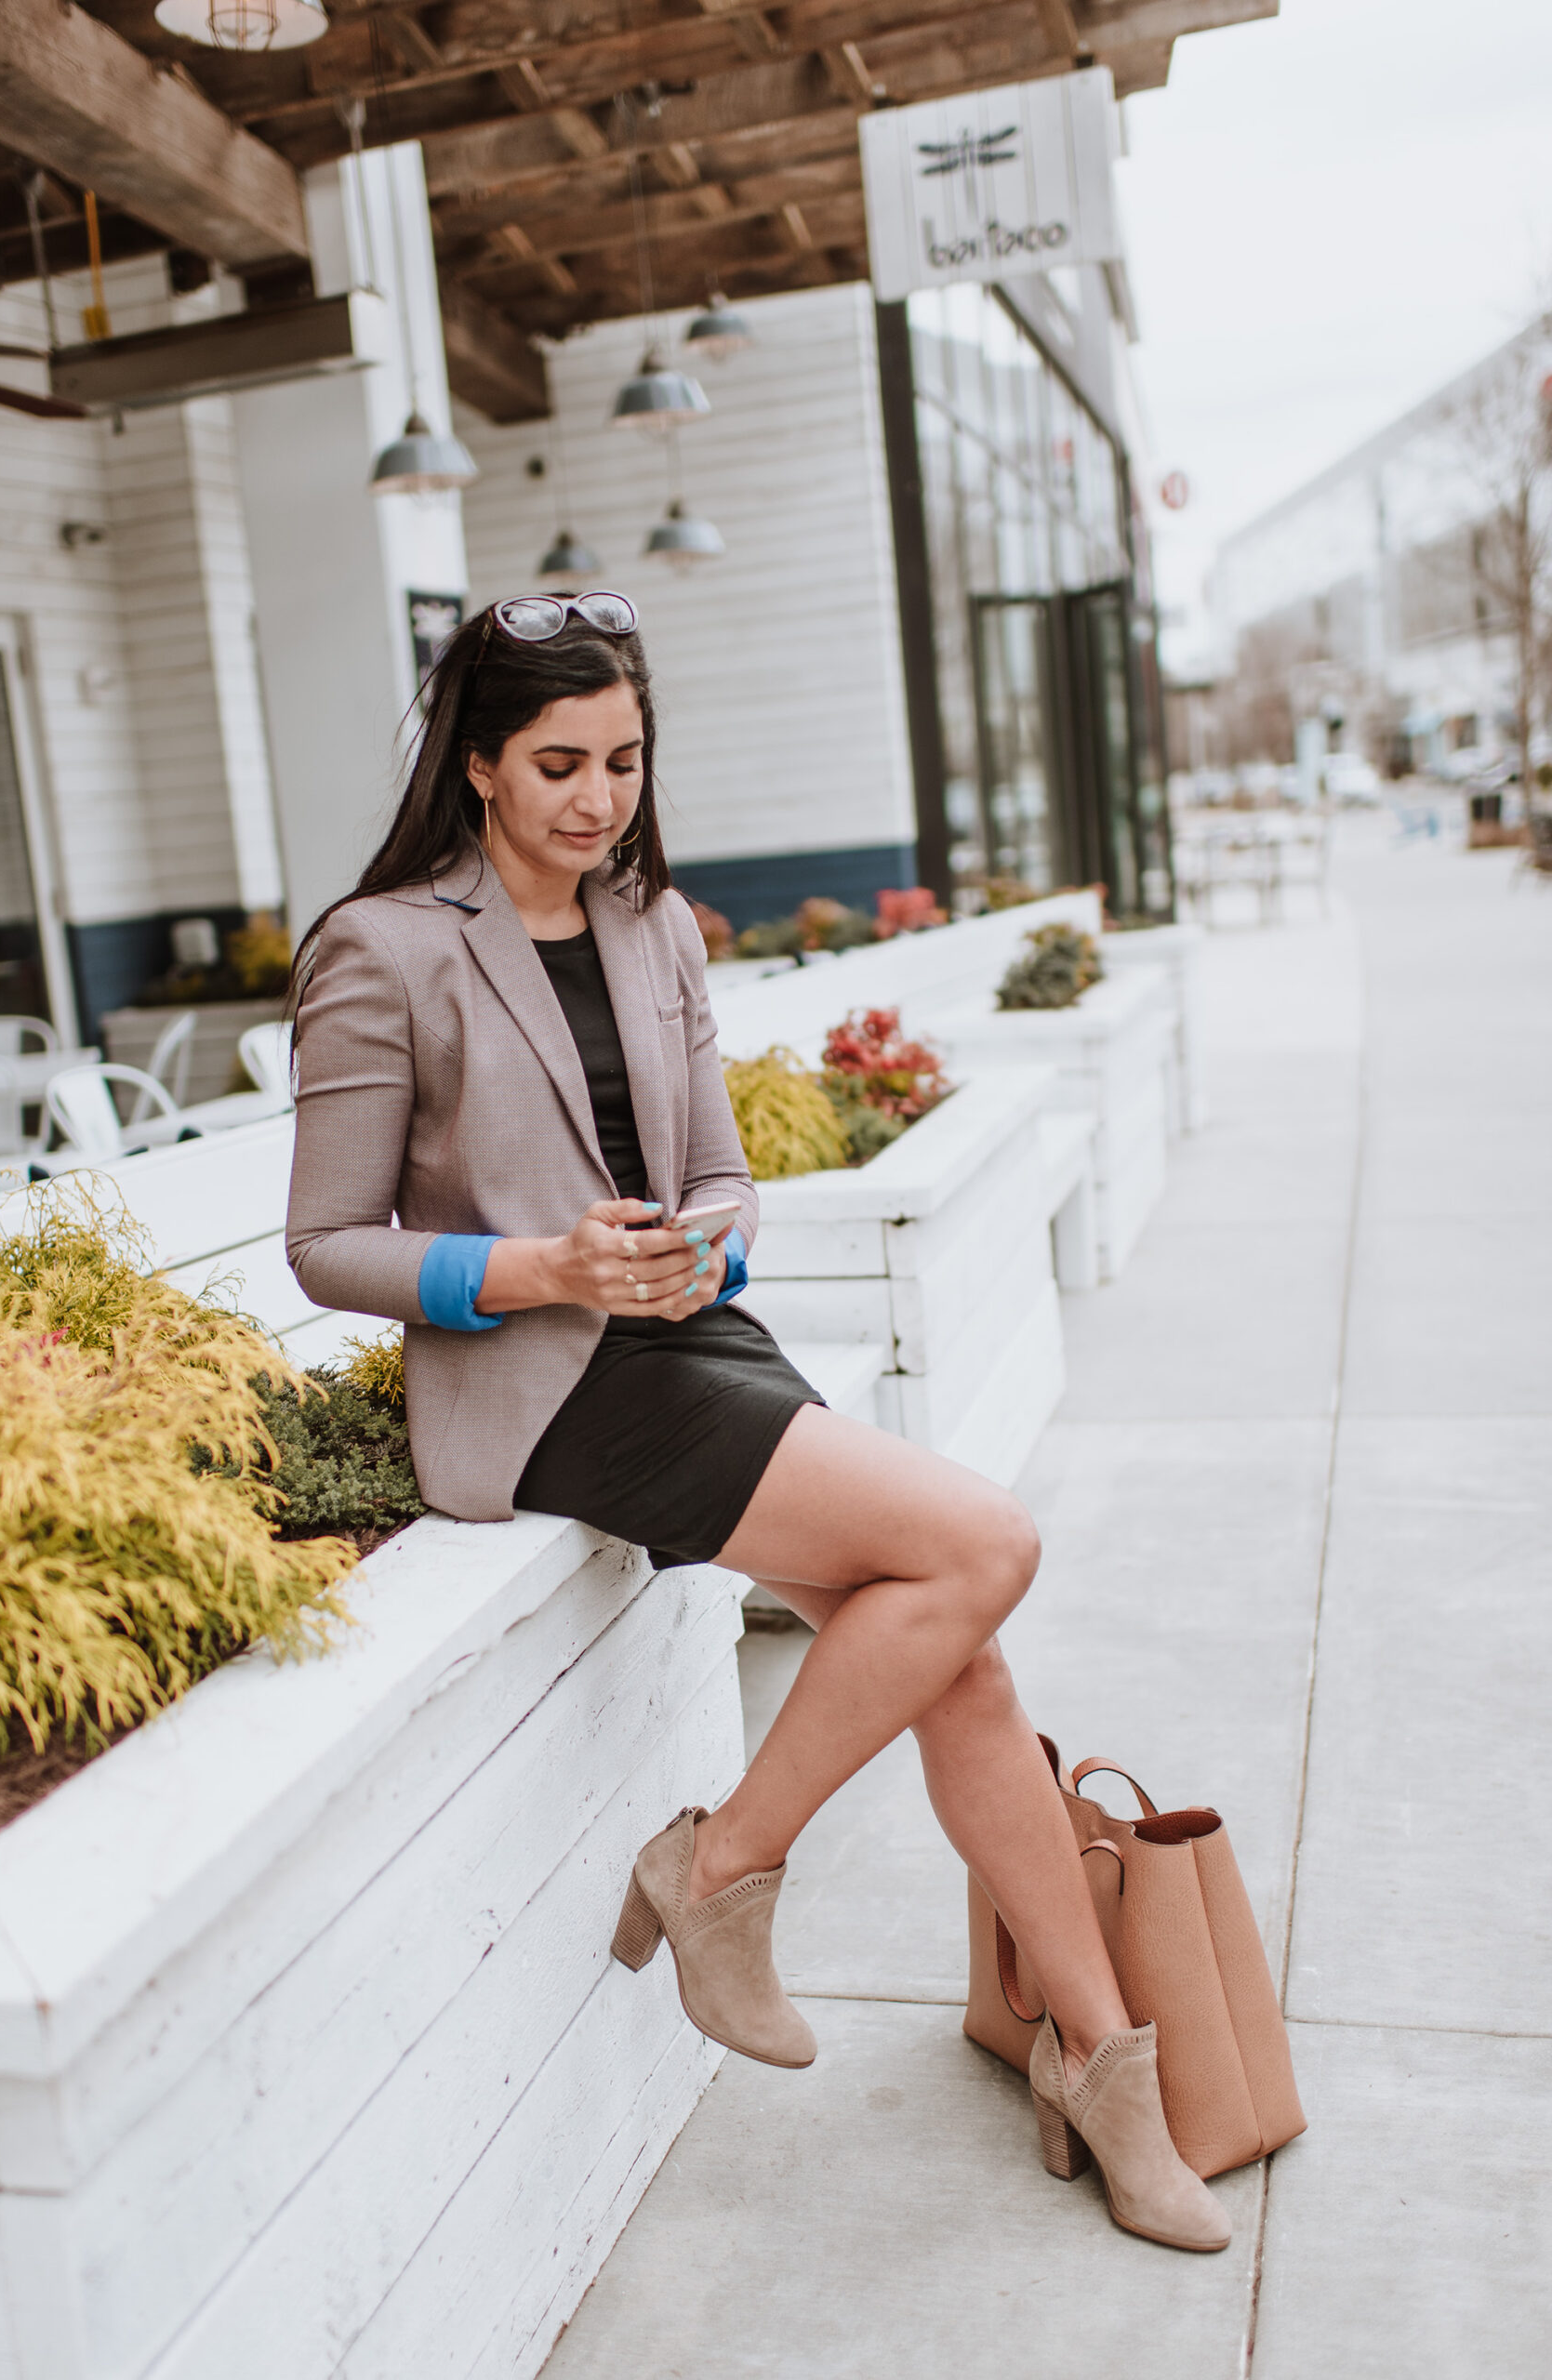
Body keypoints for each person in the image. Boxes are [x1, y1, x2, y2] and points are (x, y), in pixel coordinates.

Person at [285, 592, 1227, 2254]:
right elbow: (329, 1242)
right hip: (549, 1384)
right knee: (986, 1549)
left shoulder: (656, 927)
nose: (599, 799)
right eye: (560, 764)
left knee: (961, 1646)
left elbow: (723, 1177)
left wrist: (696, 1240)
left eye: (626, 761)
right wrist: (547, 1262)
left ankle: (1099, 2058)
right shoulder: (385, 946)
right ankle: (727, 1871)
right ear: (483, 766)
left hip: (694, 1336)